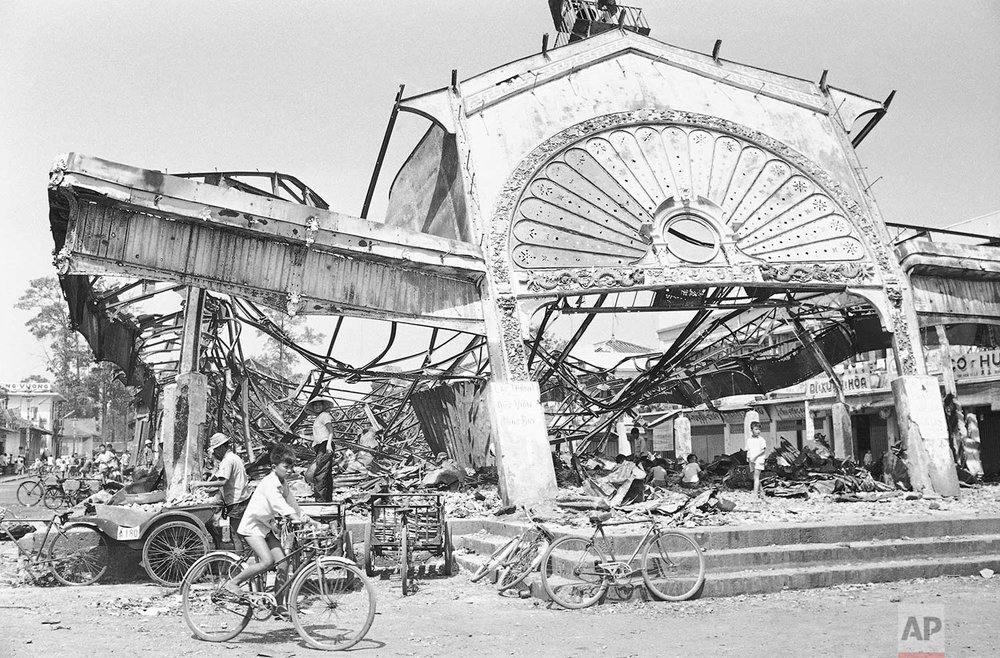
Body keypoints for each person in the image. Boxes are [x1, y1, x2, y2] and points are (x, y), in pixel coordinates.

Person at [223, 444, 313, 616]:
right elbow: (277, 503)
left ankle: (279, 607)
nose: (289, 470)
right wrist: (293, 517)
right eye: (286, 467)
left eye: (291, 467)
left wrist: (307, 518)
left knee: (283, 564)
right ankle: (233, 583)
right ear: (274, 467)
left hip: (265, 527)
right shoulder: (269, 483)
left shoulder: (283, 483)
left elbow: (292, 504)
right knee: (267, 561)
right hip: (252, 526)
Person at [192, 433, 251, 551]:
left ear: (220, 447)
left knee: (236, 534)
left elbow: (222, 482)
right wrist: (208, 489)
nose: (215, 453)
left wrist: (201, 484)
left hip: (237, 501)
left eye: (216, 450)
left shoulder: (227, 460)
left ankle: (238, 563)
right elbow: (224, 481)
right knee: (241, 532)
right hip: (242, 498)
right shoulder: (234, 457)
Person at [745, 421, 768, 499]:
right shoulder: (749, 440)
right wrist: (749, 459)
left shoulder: (761, 440)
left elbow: (763, 450)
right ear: (751, 430)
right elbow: (748, 450)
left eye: (759, 429)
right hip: (752, 461)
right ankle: (762, 493)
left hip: (759, 460)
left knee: (756, 477)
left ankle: (755, 494)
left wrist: (755, 457)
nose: (758, 431)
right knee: (755, 477)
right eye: (756, 429)